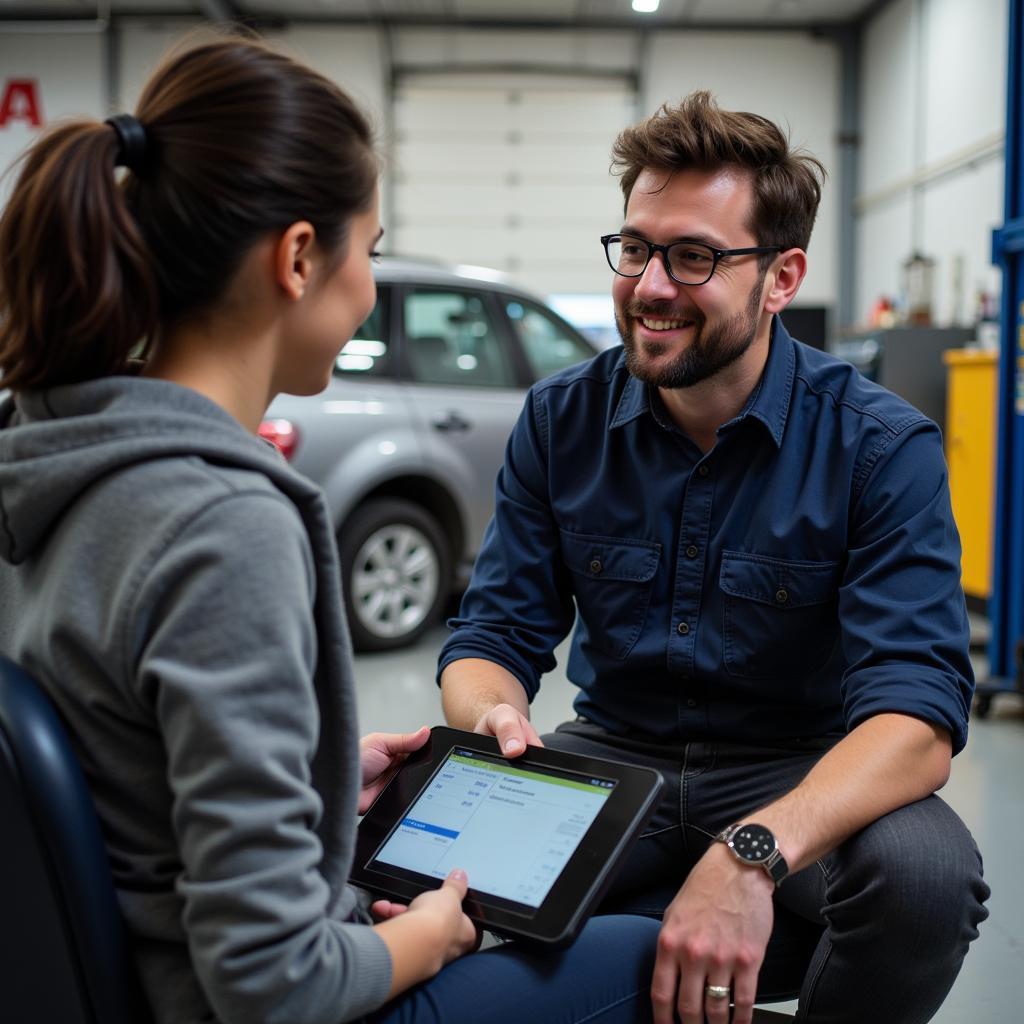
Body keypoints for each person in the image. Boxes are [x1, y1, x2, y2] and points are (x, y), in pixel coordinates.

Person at [0, 36, 662, 1024]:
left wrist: (310, 774)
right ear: (300, 257)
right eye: (374, 249)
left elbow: (119, 753)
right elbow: (271, 983)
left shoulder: (59, 456)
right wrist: (437, 931)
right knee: (643, 952)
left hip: (122, 963)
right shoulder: (222, 523)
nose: (369, 285)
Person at [438, 91, 990, 1024]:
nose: (650, 285)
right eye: (636, 248)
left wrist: (752, 852)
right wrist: (494, 720)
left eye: (694, 256)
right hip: (615, 759)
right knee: (418, 864)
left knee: (925, 878)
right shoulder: (560, 420)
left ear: (781, 278)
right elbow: (493, 631)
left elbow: (916, 715)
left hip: (797, 767)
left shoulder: (879, 446)